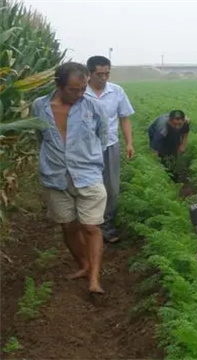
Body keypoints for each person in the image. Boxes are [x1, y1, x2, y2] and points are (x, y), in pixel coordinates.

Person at [31, 62, 108, 294]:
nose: (79, 94)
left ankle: (95, 279)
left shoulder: (93, 106)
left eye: (83, 88)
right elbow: (40, 137)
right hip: (55, 176)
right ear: (58, 85)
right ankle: (84, 265)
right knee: (68, 226)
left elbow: (102, 137)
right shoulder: (39, 107)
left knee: (91, 226)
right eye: (73, 89)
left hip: (87, 174)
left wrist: (88, 159)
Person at [85, 56, 135, 243]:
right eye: (99, 74)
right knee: (87, 186)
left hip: (110, 145)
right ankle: (88, 225)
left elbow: (124, 118)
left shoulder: (116, 91)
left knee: (111, 188)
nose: (104, 78)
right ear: (89, 73)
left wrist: (129, 143)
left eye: (107, 73)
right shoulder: (80, 92)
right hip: (85, 149)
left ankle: (106, 225)